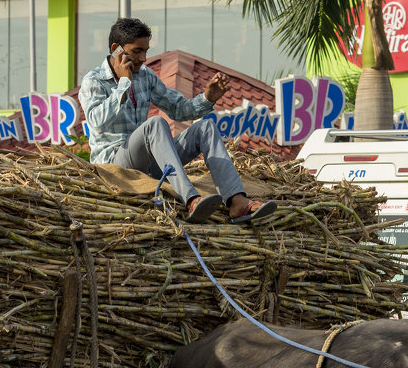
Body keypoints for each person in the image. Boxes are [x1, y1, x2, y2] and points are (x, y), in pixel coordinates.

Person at [78, 17, 277, 224]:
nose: (144, 58)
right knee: (156, 124)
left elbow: (179, 109)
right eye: (137, 51)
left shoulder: (146, 76)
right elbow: (96, 121)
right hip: (114, 167)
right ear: (115, 49)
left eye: (146, 51)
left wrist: (207, 98)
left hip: (148, 166)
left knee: (206, 127)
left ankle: (237, 202)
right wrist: (124, 84)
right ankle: (191, 199)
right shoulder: (94, 81)